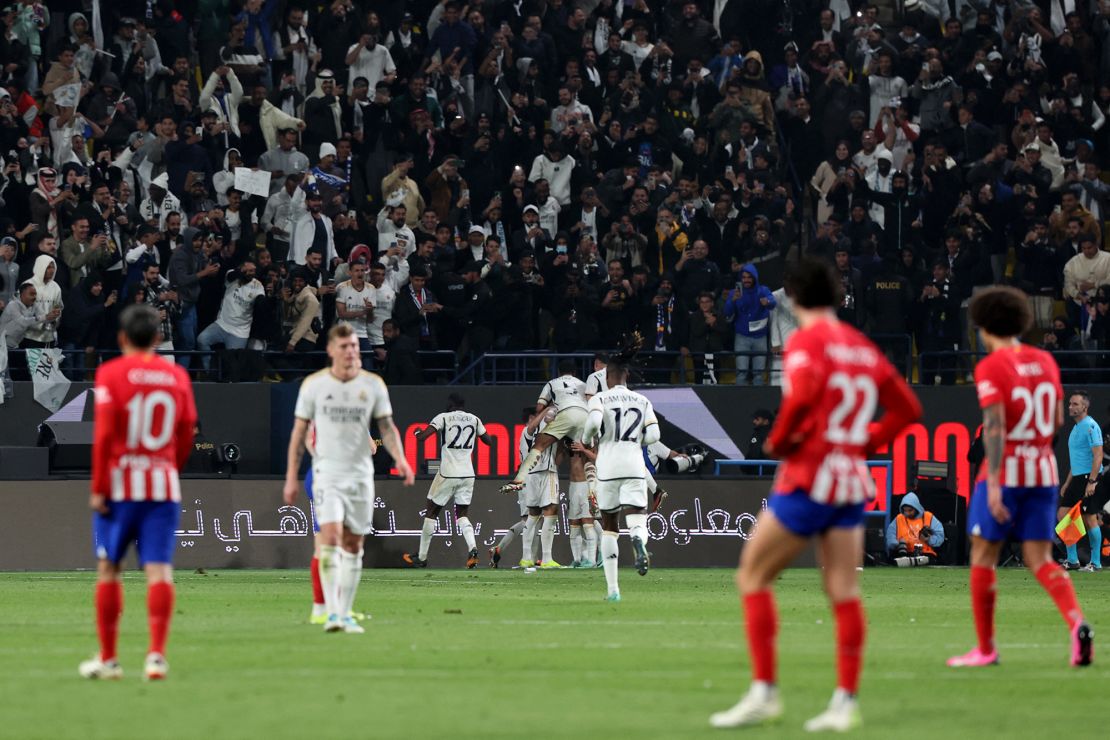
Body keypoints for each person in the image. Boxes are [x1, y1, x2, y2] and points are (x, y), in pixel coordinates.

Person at [710, 258, 921, 731]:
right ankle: (845, 701)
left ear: (793, 297)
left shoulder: (806, 340)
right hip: (849, 479)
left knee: (753, 577)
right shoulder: (862, 347)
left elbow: (802, 397)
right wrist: (863, 443)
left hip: (810, 476)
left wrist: (781, 441)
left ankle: (764, 692)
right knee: (844, 590)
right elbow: (908, 407)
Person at [948, 286, 1092, 670]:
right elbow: (1058, 420)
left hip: (1009, 472)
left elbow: (993, 428)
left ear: (983, 325)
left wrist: (993, 482)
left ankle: (986, 648)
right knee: (1040, 558)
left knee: (983, 554)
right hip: (1042, 470)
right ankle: (1077, 623)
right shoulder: (1045, 361)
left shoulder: (992, 366)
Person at [78, 305, 197, 681]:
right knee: (160, 570)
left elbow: (105, 437)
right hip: (162, 486)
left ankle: (110, 660)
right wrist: (168, 468)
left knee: (109, 569)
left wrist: (98, 488)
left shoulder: (110, 373)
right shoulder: (176, 375)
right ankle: (156, 656)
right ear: (159, 339)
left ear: (122, 338)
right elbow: (188, 428)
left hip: (119, 485)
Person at [283, 324, 415, 634]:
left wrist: (401, 460)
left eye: (355, 346)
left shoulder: (373, 385)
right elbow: (299, 433)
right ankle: (330, 613)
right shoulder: (314, 386)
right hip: (326, 474)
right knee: (329, 539)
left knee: (354, 544)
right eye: (344, 346)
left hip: (360, 477)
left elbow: (386, 428)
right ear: (331, 350)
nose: (351, 351)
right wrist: (291, 476)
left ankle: (342, 613)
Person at [580, 338, 661, 600]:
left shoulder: (600, 398)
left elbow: (592, 424)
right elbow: (654, 435)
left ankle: (613, 591)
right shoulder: (641, 400)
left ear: (607, 376)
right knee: (637, 518)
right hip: (634, 465)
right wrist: (636, 439)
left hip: (607, 466)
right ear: (627, 375)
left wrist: (586, 439)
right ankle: (638, 540)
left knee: (610, 526)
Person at [403, 394, 491, 568]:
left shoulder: (443, 417)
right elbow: (488, 441)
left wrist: (416, 431)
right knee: (462, 515)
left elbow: (422, 438)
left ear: (450, 404)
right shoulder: (474, 419)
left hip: (448, 473)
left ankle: (421, 557)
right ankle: (473, 549)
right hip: (468, 474)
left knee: (431, 512)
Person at [500, 360, 588, 495]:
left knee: (539, 443)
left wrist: (552, 406)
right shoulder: (583, 384)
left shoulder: (552, 383)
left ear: (559, 372)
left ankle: (518, 480)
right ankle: (591, 493)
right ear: (575, 372)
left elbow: (540, 407)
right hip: (585, 415)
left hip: (567, 412)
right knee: (580, 457)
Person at [1057, 391, 1104, 571]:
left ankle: (1096, 562)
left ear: (1085, 407)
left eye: (1075, 404)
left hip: (1088, 478)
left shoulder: (1091, 426)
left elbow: (1098, 455)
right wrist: (1068, 482)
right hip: (1077, 478)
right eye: (1070, 404)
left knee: (1089, 518)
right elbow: (1077, 459)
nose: (1070, 407)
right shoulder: (1077, 428)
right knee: (1063, 515)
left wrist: (1092, 482)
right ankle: (1073, 560)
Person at [196, 260, 263, 373]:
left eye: (254, 271)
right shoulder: (232, 275)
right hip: (221, 324)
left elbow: (261, 300)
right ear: (242, 269)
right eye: (249, 270)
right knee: (202, 340)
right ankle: (209, 372)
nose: (252, 273)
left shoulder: (257, 285)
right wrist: (242, 270)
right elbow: (232, 276)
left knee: (233, 367)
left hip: (240, 331)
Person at [885, 493, 945, 565]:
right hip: (903, 552)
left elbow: (940, 536)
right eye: (905, 510)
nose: (907, 513)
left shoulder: (928, 516)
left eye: (910, 510)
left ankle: (911, 562)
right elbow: (890, 535)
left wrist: (929, 539)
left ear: (916, 508)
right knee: (894, 560)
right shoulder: (899, 518)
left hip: (925, 553)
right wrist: (895, 544)